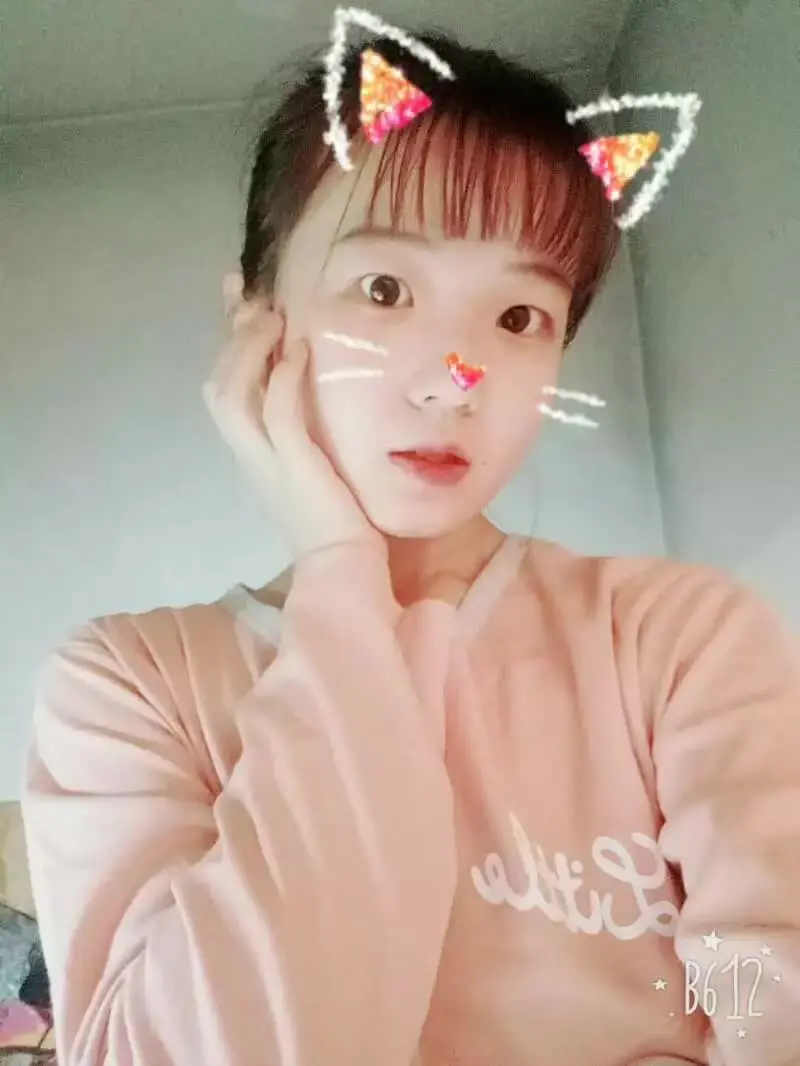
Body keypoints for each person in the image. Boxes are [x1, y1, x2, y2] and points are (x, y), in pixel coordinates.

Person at [19, 28, 800, 1066]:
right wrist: (340, 581)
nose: (451, 380)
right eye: (384, 290)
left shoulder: (673, 639)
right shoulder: (132, 688)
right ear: (255, 318)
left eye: (518, 315)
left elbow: (769, 992)